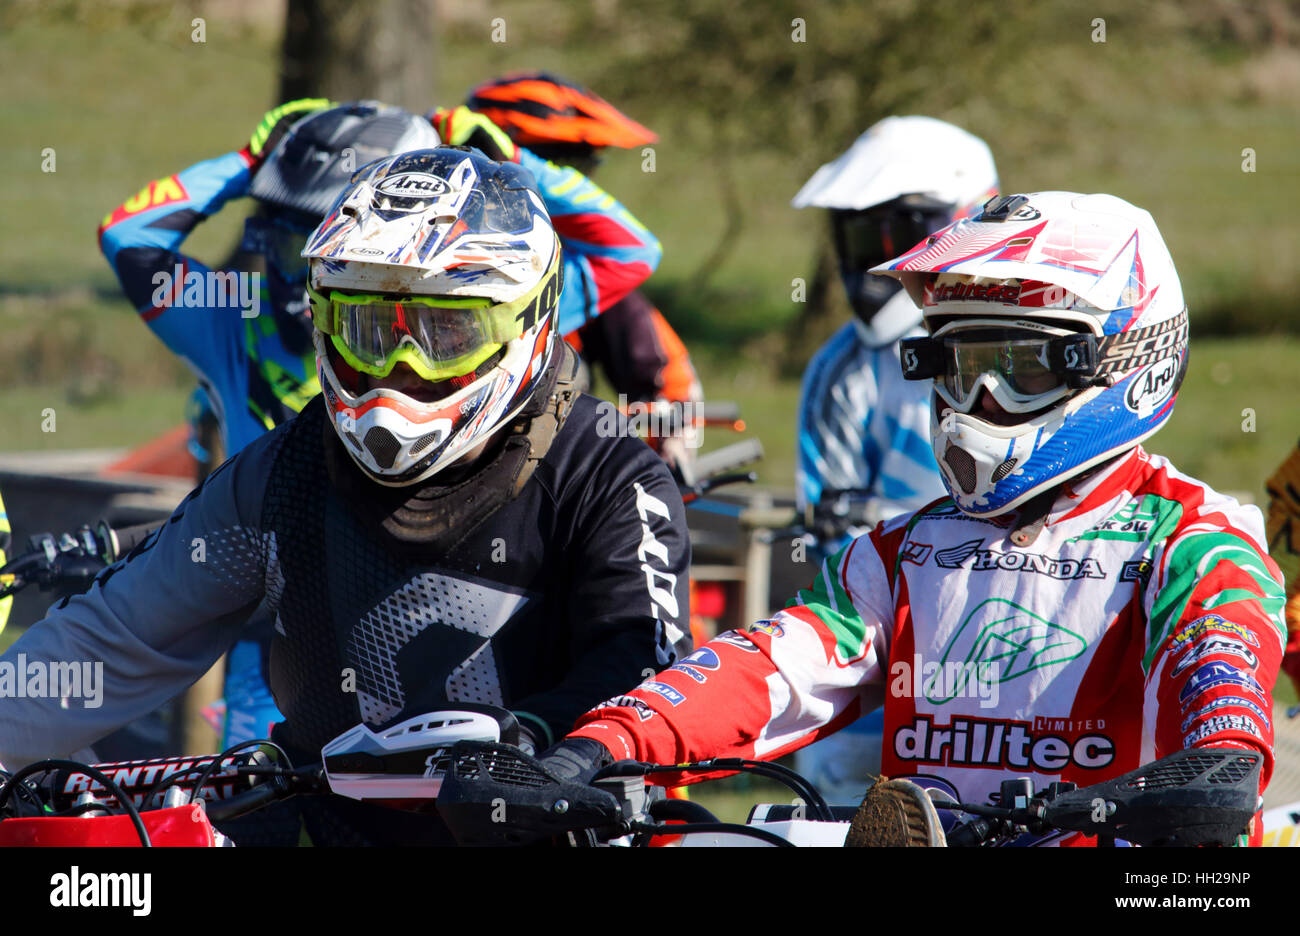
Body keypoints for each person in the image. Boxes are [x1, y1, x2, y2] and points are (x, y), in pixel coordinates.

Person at [548, 192, 1287, 846]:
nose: (978, 400)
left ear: (1125, 361)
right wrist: (603, 740)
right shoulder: (909, 550)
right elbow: (771, 663)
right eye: (960, 366)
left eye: (1020, 368)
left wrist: (1222, 755)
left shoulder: (1194, 543)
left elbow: (1222, 663)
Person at [2, 147, 689, 846]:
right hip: (328, 830)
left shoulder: (606, 476)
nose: (398, 370)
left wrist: (541, 745)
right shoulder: (286, 472)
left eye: (444, 334)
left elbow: (648, 672)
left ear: (528, 322)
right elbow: (115, 637)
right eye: (365, 329)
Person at [97, 100, 667, 750]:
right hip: (287, 598)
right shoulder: (236, 319)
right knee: (266, 795)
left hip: (463, 578)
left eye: (440, 334)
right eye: (288, 239)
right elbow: (127, 238)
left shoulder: (476, 298)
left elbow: (633, 249)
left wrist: (505, 163)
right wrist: (256, 163)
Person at [789, 116, 998, 801]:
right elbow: (828, 539)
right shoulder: (844, 369)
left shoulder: (1022, 352)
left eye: (897, 234)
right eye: (858, 237)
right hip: (883, 676)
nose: (875, 260)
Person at [453, 72, 704, 473]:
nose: (570, 183)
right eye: (560, 166)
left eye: (581, 169)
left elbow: (665, 375)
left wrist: (672, 437)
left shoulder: (570, 270)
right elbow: (635, 249)